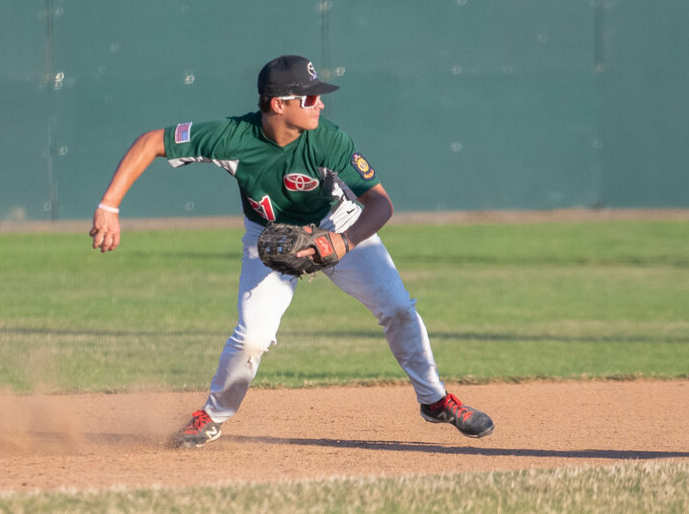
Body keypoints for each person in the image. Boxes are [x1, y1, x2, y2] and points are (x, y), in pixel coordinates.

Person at [90, 55, 495, 448]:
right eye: (309, 98)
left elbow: (381, 203)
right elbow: (150, 143)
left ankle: (435, 400)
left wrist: (343, 241)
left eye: (318, 96)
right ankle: (212, 417)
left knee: (399, 308)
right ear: (277, 104)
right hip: (268, 238)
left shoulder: (328, 138)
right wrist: (109, 207)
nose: (320, 104)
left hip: (338, 223)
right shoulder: (232, 137)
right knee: (252, 337)